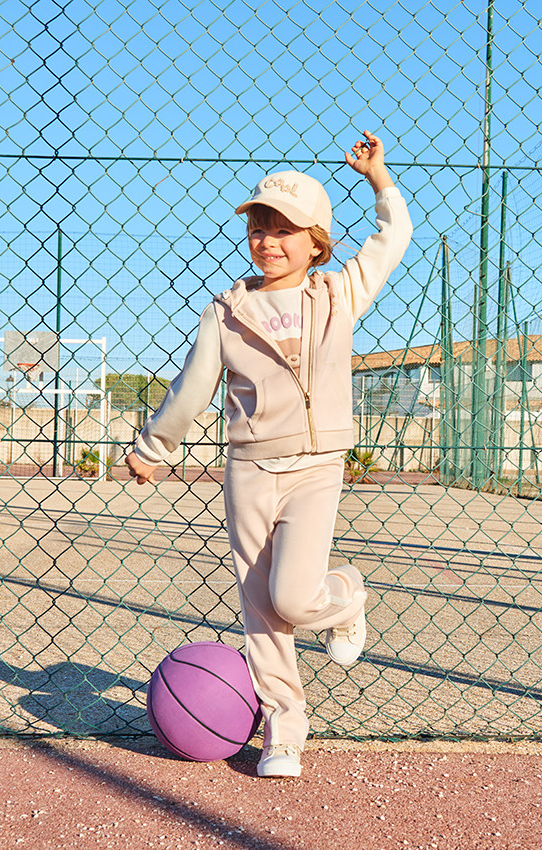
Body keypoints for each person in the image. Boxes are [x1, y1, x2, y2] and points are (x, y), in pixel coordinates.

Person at [126, 131, 412, 778]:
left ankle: (346, 595)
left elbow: (392, 240)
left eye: (285, 228)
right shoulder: (227, 312)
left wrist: (379, 181)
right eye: (259, 224)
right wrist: (153, 446)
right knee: (260, 609)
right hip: (251, 469)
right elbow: (193, 386)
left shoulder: (339, 294)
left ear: (317, 242)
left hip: (316, 468)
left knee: (293, 598)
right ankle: (286, 726)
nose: (269, 239)